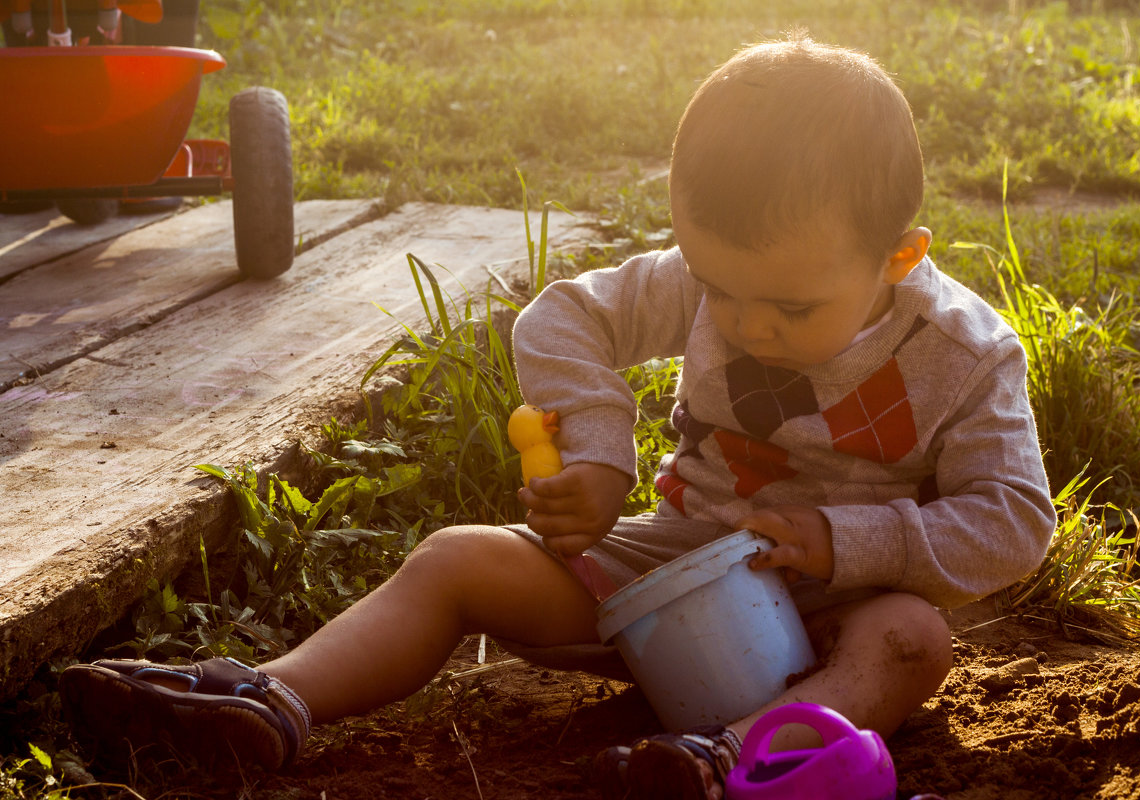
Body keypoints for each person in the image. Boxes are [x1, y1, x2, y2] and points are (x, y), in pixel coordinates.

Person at [59, 31, 1057, 800]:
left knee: (913, 638)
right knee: (456, 556)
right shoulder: (704, 286)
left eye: (789, 306)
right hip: (668, 579)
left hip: (836, 613)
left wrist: (846, 541)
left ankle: (736, 758)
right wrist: (599, 455)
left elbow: (1015, 521)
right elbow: (562, 316)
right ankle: (275, 695)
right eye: (719, 285)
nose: (745, 322)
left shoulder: (965, 355)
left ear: (899, 257)